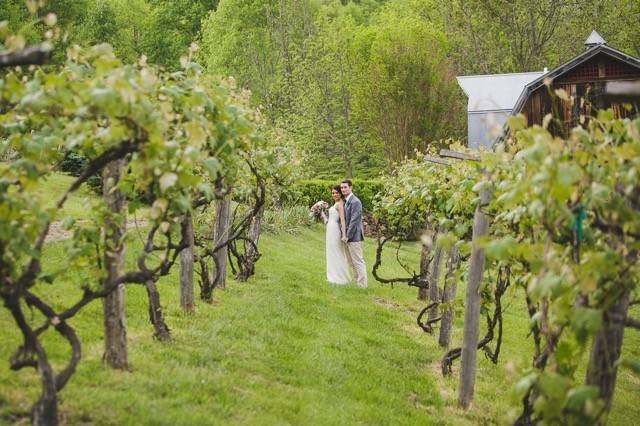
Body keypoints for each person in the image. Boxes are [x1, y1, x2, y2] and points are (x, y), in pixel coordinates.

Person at [320, 185, 353, 285]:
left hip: (335, 230)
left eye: (336, 193)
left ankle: (339, 277)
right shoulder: (335, 203)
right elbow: (329, 219)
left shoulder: (340, 204)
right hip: (330, 228)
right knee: (331, 251)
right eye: (333, 193)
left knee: (336, 251)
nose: (334, 194)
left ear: (340, 193)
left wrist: (344, 235)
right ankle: (332, 274)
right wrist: (322, 213)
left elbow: (342, 220)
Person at [340, 180, 368, 288]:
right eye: (342, 188)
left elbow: (354, 220)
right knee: (351, 262)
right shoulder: (346, 201)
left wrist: (347, 235)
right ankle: (357, 282)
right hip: (347, 237)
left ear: (350, 188)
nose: (343, 189)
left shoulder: (355, 201)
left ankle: (362, 285)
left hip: (354, 237)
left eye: (345, 187)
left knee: (358, 261)